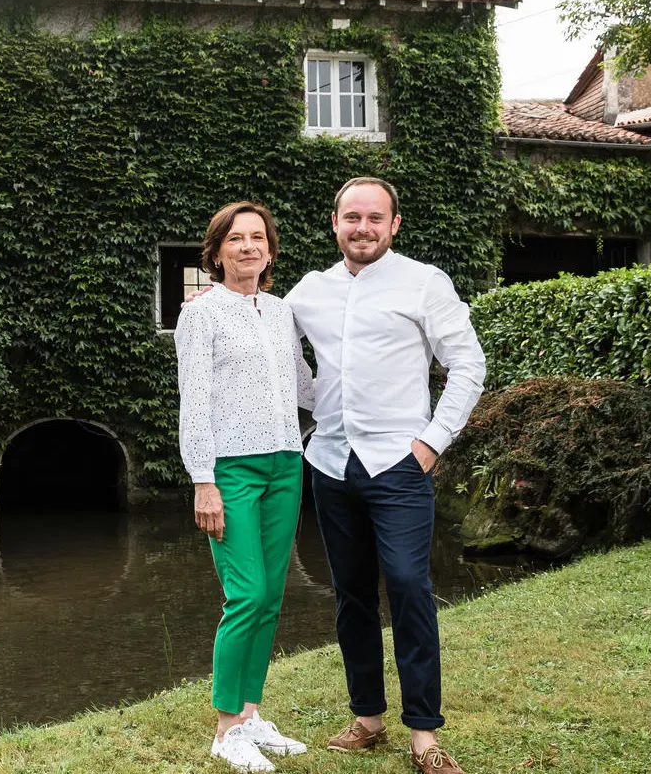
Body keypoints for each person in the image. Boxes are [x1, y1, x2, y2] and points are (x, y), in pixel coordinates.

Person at [284, 177, 485, 774]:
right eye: (352, 218)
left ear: (393, 225)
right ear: (335, 222)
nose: (362, 228)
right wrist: (210, 302)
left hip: (400, 463)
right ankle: (369, 718)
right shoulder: (310, 291)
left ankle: (424, 732)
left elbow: (467, 364)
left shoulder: (424, 283)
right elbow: (267, 335)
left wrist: (431, 443)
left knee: (407, 585)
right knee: (350, 594)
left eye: (375, 218)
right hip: (329, 462)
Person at [175, 201, 316, 773]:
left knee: (273, 597)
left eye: (258, 238)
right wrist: (203, 480)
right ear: (216, 251)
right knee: (247, 594)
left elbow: (305, 384)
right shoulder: (200, 314)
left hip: (287, 463)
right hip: (231, 469)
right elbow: (195, 401)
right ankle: (226, 729)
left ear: (270, 251)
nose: (249, 247)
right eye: (236, 239)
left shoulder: (282, 313)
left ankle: (252, 715)